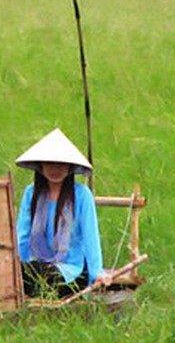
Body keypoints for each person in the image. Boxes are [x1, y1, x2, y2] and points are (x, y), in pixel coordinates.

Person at [15, 128, 112, 298]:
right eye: (49, 164)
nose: (55, 169)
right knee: (27, 273)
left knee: (46, 275)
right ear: (41, 166)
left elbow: (91, 237)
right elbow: (22, 234)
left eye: (61, 164)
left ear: (70, 167)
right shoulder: (32, 193)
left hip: (72, 271)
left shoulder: (82, 195)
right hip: (39, 264)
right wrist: (16, 267)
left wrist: (97, 273)